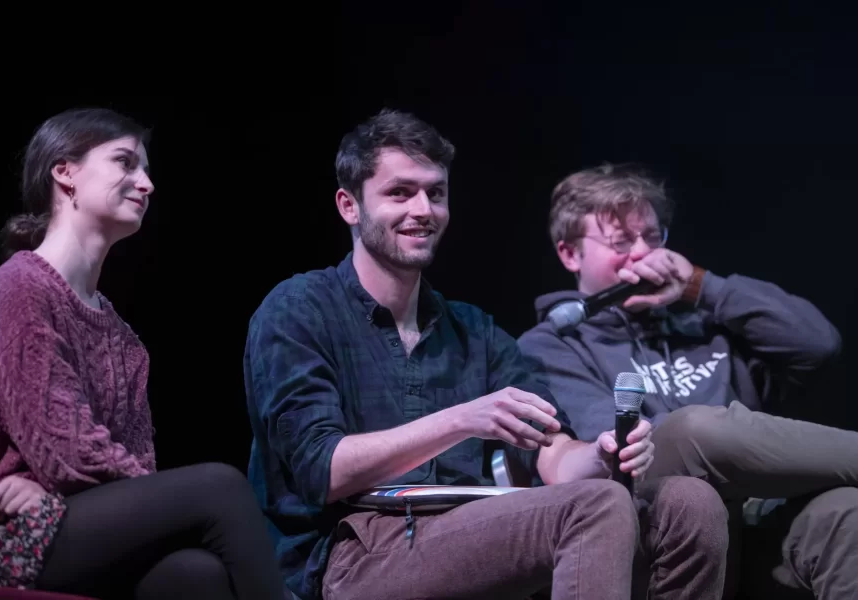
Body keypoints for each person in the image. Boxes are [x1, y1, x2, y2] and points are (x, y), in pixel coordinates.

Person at [244, 109, 729, 600]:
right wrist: (462, 419)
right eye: (399, 192)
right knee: (595, 507)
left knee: (689, 502)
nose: (423, 209)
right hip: (355, 551)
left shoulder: (475, 330)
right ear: (350, 206)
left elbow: (554, 455)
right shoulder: (299, 309)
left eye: (435, 193)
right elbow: (321, 470)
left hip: (470, 530)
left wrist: (602, 453)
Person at [0, 108, 284, 599]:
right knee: (220, 487)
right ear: (65, 172)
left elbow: (135, 468)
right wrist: (57, 486)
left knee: (197, 573)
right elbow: (65, 451)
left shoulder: (124, 339)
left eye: (147, 169)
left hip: (61, 517)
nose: (147, 184)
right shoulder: (17, 291)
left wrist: (55, 491)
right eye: (125, 163)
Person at [516, 163, 858, 599]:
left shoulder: (706, 323)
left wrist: (700, 287)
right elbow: (607, 443)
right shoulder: (549, 345)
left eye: (653, 236)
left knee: (850, 511)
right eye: (621, 241)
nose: (642, 255)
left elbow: (819, 346)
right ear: (570, 254)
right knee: (693, 428)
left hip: (752, 522)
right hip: (650, 521)